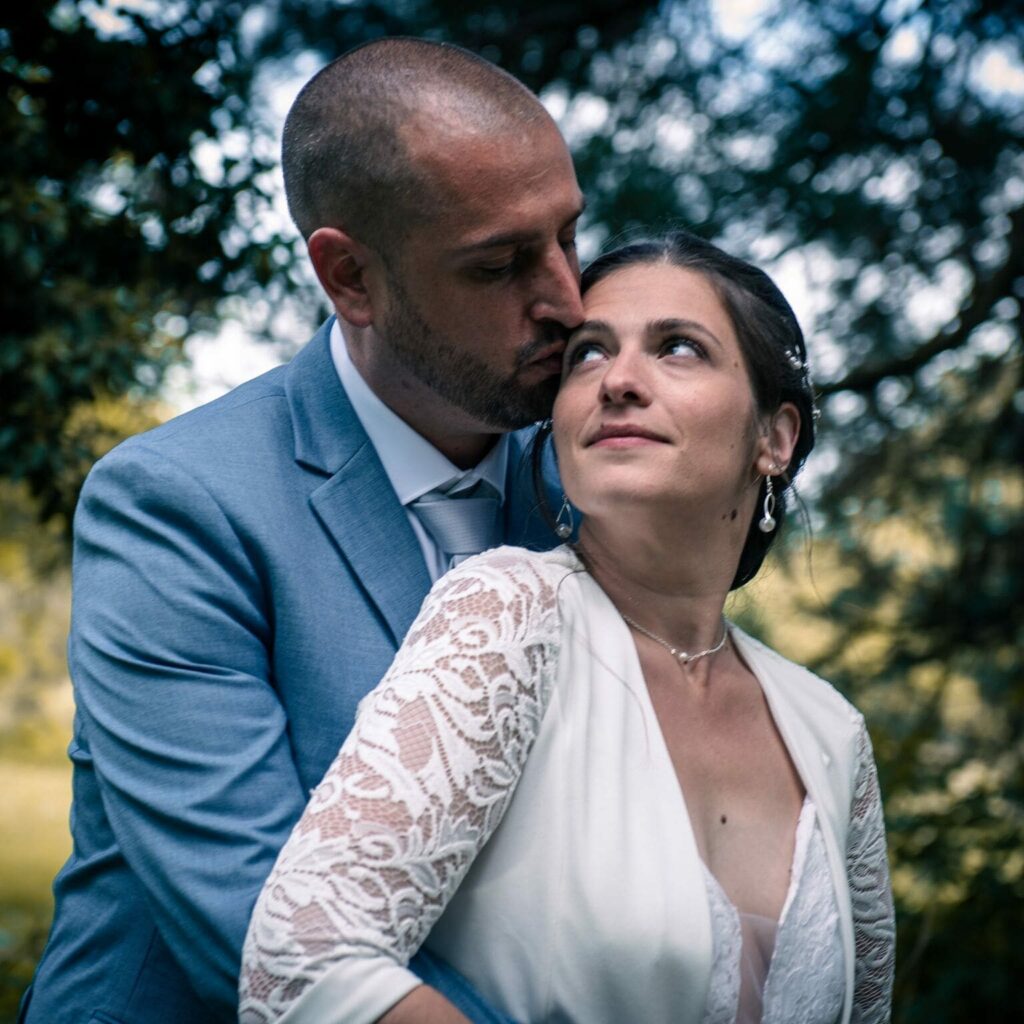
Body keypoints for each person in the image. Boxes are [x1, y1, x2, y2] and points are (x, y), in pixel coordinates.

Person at [20, 39, 584, 1024]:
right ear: (350, 278)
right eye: (499, 266)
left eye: (569, 238)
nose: (566, 302)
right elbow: (256, 926)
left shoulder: (583, 489)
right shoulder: (178, 504)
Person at [239, 231, 897, 1024]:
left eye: (678, 348)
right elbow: (301, 959)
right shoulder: (506, 617)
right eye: (587, 354)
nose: (618, 381)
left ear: (774, 438)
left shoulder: (830, 729)